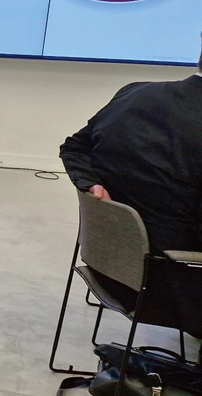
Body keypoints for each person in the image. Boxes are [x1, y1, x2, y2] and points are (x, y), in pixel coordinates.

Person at [59, 42, 202, 256]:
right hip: (175, 274)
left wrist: (90, 181)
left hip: (109, 262)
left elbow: (75, 148)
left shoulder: (134, 93)